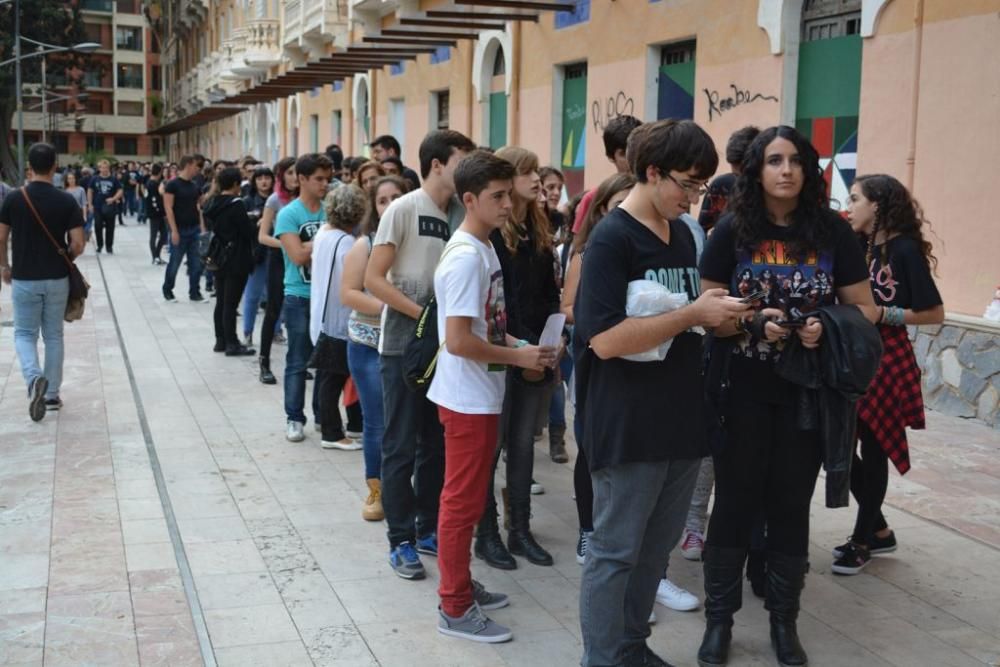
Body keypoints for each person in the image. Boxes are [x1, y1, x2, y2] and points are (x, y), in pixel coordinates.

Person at [696, 125, 877, 667]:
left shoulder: (833, 233)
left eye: (796, 160)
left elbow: (864, 309)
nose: (786, 170)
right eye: (774, 161)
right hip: (740, 388)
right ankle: (719, 623)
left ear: (810, 170)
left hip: (807, 393)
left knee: (790, 505)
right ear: (757, 170)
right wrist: (752, 324)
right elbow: (707, 305)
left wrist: (825, 322)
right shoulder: (732, 229)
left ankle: (783, 624)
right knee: (732, 503)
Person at [574, 120, 752, 667]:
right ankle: (601, 659)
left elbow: (683, 321)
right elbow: (603, 341)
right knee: (614, 552)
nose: (693, 197)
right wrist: (695, 313)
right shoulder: (611, 239)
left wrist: (727, 320)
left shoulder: (679, 235)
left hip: (679, 416)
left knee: (655, 552)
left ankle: (632, 646)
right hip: (627, 422)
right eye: (688, 185)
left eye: (701, 187)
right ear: (652, 172)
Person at [430, 150, 557, 644]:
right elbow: (458, 340)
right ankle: (455, 607)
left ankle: (458, 584)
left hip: (480, 393)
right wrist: (520, 359)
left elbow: (489, 326)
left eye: (510, 194)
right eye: (497, 197)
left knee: (463, 499)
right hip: (467, 400)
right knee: (461, 505)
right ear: (469, 200)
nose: (508, 205)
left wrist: (523, 346)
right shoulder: (466, 257)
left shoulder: (484, 246)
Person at [364, 129, 476, 580]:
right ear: (436, 164)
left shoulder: (461, 213)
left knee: (436, 445)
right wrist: (425, 316)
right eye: (461, 160)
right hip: (403, 349)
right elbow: (374, 278)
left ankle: (428, 528)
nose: (466, 169)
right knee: (400, 445)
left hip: (449, 350)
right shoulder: (403, 209)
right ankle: (400, 540)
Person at [833, 174, 944, 575]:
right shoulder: (860, 246)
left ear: (878, 205)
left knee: (876, 448)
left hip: (887, 357)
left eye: (856, 198)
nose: (850, 206)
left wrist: (884, 313)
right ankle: (878, 528)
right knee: (840, 451)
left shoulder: (904, 251)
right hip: (853, 357)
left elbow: (934, 313)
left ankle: (863, 540)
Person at [473, 146, 561, 570]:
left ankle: (520, 529)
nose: (536, 180)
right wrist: (518, 351)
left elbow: (548, 294)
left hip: (535, 351)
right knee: (492, 446)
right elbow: (493, 304)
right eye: (528, 172)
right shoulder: (491, 234)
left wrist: (550, 343)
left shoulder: (539, 228)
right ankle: (485, 532)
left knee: (524, 443)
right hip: (502, 349)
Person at [559, 171, 636, 565]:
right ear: (602, 208)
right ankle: (588, 532)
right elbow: (567, 308)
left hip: (638, 368)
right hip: (594, 363)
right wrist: (604, 317)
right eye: (619, 204)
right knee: (591, 449)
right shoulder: (587, 253)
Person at [0, 143, 86, 420]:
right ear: (54, 167)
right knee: (53, 336)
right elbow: (79, 243)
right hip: (57, 278)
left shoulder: (13, 199)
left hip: (24, 277)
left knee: (24, 334)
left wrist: (4, 265)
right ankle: (51, 396)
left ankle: (33, 377)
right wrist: (66, 257)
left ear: (29, 167)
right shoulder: (66, 200)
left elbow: (0, 237)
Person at [341, 175, 409, 521]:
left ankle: (405, 487)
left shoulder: (417, 242)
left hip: (409, 343)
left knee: (409, 420)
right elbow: (349, 293)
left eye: (397, 197)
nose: (391, 204)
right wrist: (389, 305)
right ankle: (376, 490)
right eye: (383, 200)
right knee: (377, 419)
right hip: (368, 342)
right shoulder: (364, 245)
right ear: (375, 206)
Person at [275, 153, 333, 442]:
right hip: (299, 295)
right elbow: (296, 255)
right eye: (319, 179)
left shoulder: (330, 211)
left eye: (327, 178)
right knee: (298, 360)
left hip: (328, 296)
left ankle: (323, 416)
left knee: (326, 360)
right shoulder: (289, 214)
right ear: (302, 180)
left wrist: (312, 243)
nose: (325, 184)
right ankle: (294, 418)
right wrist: (324, 239)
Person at [310, 185, 364, 450]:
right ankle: (332, 433)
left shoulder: (323, 232)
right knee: (334, 379)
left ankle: (331, 427)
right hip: (339, 320)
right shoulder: (347, 243)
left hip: (323, 315)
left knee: (329, 378)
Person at [203, 166, 256, 356]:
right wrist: (255, 223)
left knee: (221, 301)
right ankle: (232, 343)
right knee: (231, 304)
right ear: (235, 184)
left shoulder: (212, 203)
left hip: (218, 256)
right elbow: (247, 232)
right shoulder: (236, 204)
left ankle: (220, 340)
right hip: (236, 258)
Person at [257, 158, 297, 384]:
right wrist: (288, 244)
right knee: (273, 310)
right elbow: (262, 236)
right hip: (279, 260)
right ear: (281, 176)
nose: (293, 177)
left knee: (300, 310)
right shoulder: (274, 200)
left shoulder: (307, 199)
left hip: (302, 261)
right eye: (289, 173)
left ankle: (300, 360)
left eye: (296, 173)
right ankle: (264, 362)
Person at [571, 115, 643, 235]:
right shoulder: (593, 198)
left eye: (636, 151)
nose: (632, 159)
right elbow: (578, 251)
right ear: (611, 157)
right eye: (623, 154)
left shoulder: (655, 195)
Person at [162, 155, 208, 303]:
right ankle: (168, 289)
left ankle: (194, 292)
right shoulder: (173, 185)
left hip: (194, 229)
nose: (198, 169)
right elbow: (168, 208)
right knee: (175, 262)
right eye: (196, 165)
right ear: (189, 164)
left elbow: (199, 207)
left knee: (196, 263)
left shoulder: (195, 186)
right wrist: (174, 231)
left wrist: (202, 229)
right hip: (179, 229)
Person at [698, 126, 760, 234]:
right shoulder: (721, 186)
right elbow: (700, 232)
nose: (742, 181)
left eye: (748, 175)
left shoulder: (777, 194)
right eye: (736, 175)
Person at [241, 165, 275, 346]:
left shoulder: (278, 201)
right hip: (257, 254)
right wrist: (257, 221)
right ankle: (248, 332)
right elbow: (243, 228)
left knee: (276, 296)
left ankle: (276, 331)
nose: (264, 181)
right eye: (260, 178)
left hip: (276, 252)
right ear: (254, 181)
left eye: (267, 178)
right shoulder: (247, 201)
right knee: (252, 295)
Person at [87, 159, 123, 253]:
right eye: (102, 167)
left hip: (110, 207)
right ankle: (99, 245)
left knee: (110, 227)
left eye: (106, 167)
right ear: (99, 168)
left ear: (109, 168)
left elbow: (120, 191)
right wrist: (90, 204)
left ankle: (109, 246)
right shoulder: (94, 178)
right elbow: (90, 191)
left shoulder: (113, 179)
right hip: (97, 207)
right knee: (98, 226)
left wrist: (113, 198)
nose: (104, 169)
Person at [145, 163, 168, 265]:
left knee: (164, 235)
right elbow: (156, 199)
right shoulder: (153, 184)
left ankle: (157, 255)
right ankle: (155, 256)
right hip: (155, 213)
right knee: (154, 235)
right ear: (160, 172)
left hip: (158, 213)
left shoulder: (152, 183)